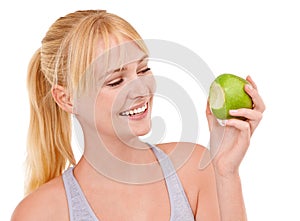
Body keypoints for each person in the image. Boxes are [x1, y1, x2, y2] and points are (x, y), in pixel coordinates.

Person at [11, 10, 265, 221]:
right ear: (66, 99)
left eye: (143, 69)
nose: (141, 90)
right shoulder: (39, 213)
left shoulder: (196, 169)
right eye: (115, 81)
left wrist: (226, 172)